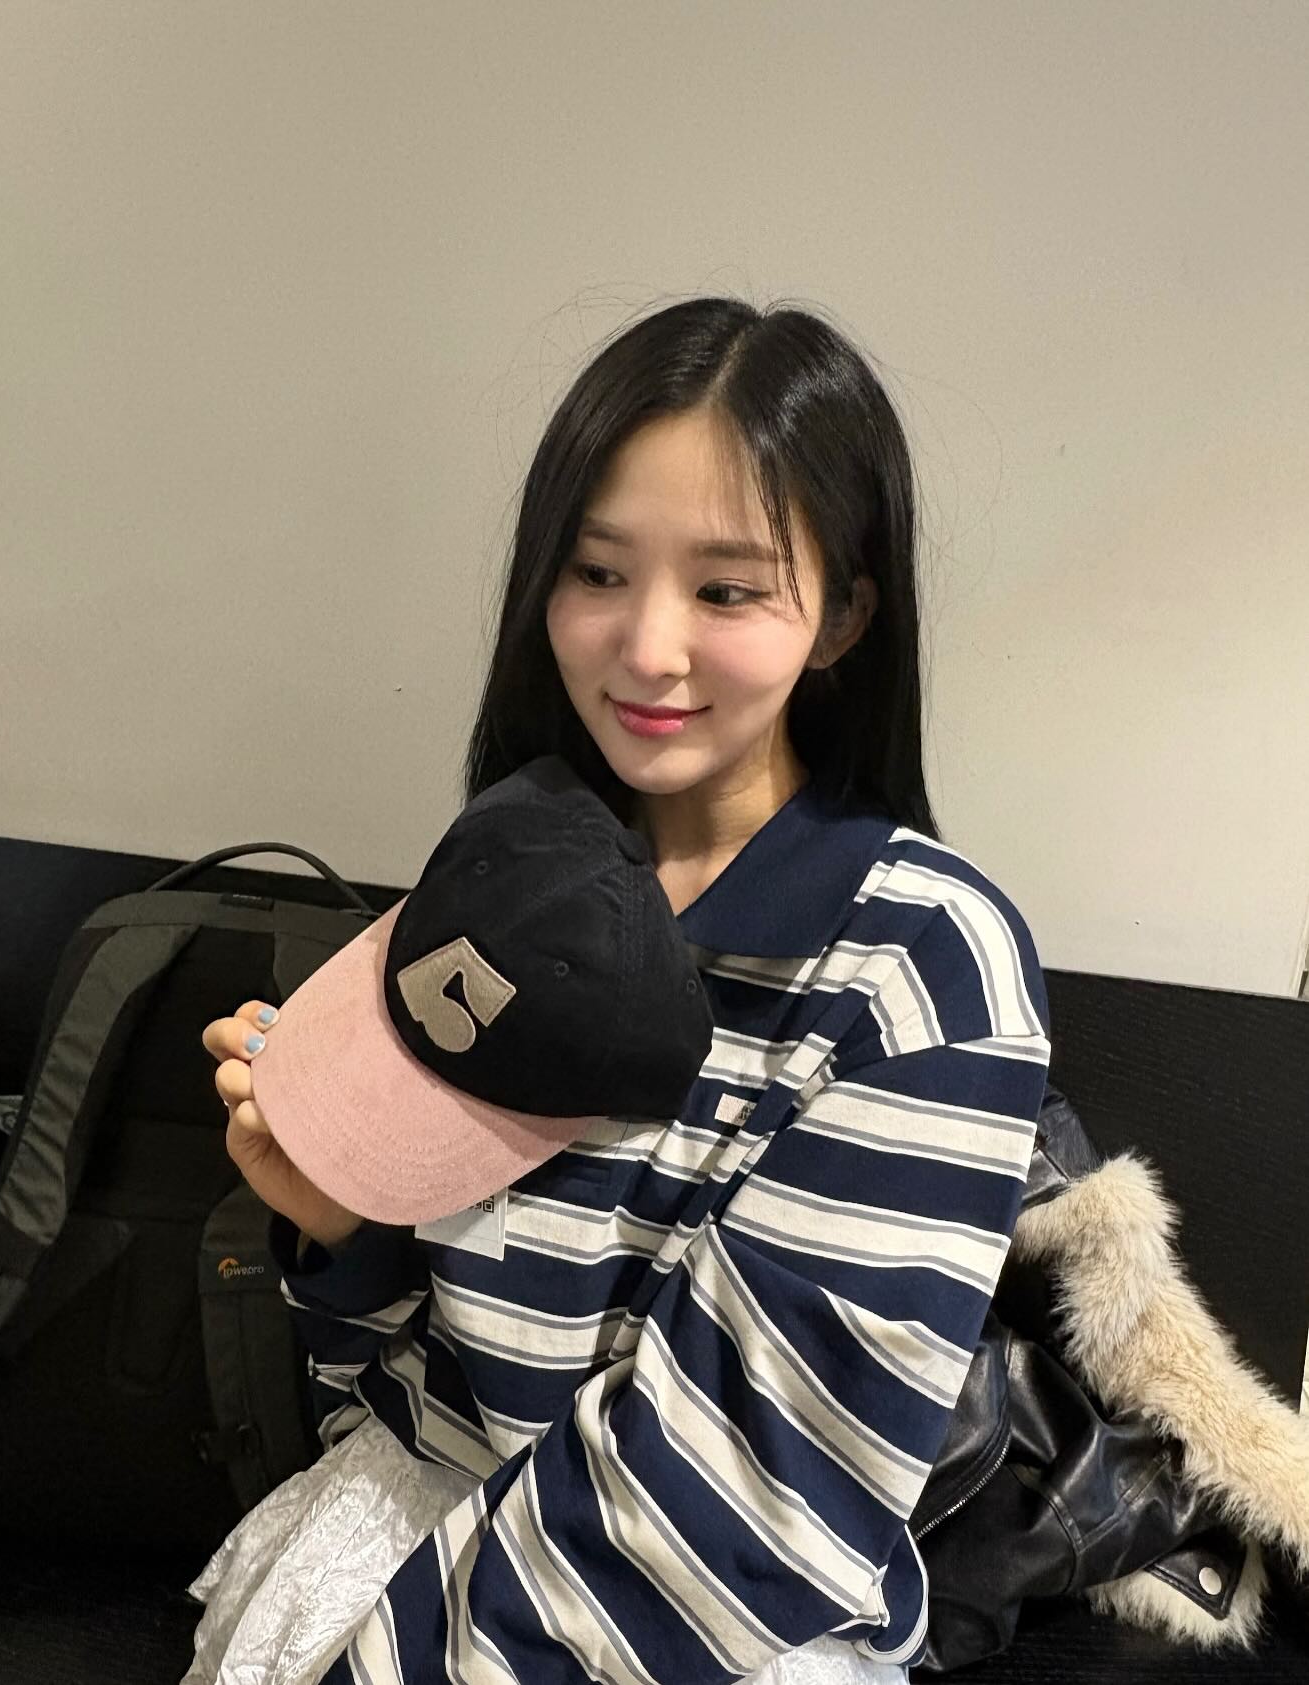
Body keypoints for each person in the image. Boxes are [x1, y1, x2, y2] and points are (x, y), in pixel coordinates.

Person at [196, 296, 1051, 1684]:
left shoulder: (924, 967)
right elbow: (393, 1384)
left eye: (727, 590)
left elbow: (745, 1516)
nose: (647, 647)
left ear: (843, 614)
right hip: (397, 1536)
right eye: (598, 571)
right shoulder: (512, 860)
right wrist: (342, 1226)